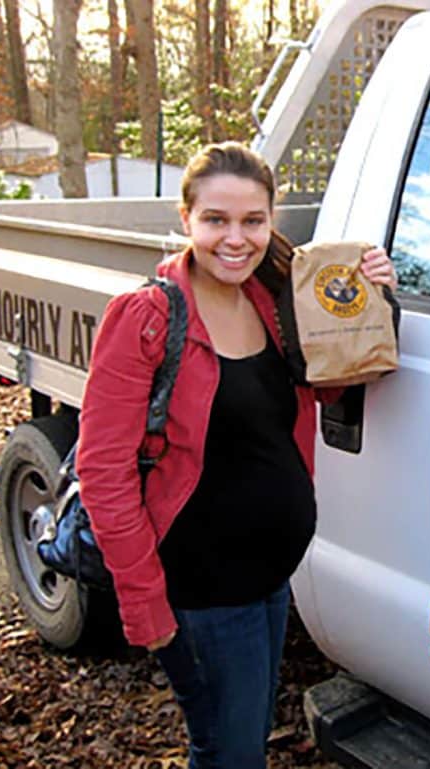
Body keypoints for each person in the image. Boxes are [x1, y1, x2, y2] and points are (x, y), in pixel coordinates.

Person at [75, 141, 397, 768]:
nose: (236, 238)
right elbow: (102, 470)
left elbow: (328, 383)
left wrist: (372, 300)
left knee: (228, 748)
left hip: (267, 577)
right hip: (204, 591)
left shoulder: (271, 302)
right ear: (185, 219)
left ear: (272, 220)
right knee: (232, 755)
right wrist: (145, 603)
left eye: (253, 220)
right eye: (216, 220)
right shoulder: (145, 318)